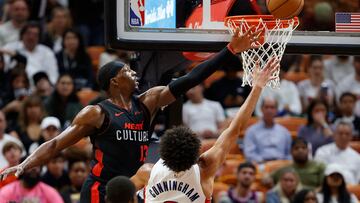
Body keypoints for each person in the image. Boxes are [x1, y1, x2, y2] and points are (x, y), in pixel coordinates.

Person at [0, 28, 261, 202]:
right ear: (114, 81)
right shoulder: (96, 113)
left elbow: (191, 79)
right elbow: (57, 143)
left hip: (135, 186)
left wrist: (229, 50)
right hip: (100, 188)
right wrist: (25, 164)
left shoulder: (148, 102)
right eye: (127, 70)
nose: (134, 73)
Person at [144, 58, 279, 201]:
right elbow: (235, 128)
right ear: (197, 153)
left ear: (163, 151)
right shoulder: (204, 170)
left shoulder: (147, 171)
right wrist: (257, 87)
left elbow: (122, 191)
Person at [244, 97, 292, 163]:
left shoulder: (284, 132)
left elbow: (289, 154)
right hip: (260, 165)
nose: (269, 110)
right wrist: (263, 163)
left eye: (272, 107)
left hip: (281, 165)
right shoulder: (251, 131)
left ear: (276, 110)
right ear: (261, 109)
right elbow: (249, 153)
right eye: (266, 107)